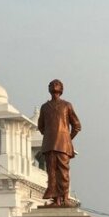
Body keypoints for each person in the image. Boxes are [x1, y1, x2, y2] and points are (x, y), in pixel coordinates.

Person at [37, 79, 81, 207]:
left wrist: (67, 138)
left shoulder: (67, 105)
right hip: (50, 145)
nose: (54, 86)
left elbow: (77, 126)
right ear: (49, 88)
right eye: (51, 84)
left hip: (63, 146)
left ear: (61, 89)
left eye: (57, 84)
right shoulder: (45, 107)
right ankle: (56, 200)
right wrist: (51, 135)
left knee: (63, 172)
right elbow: (41, 126)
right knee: (52, 172)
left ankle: (65, 198)